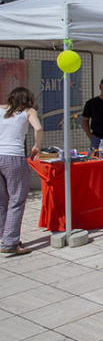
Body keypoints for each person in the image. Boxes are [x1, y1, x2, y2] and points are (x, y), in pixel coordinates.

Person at [0, 88, 42, 256]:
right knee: (17, 200)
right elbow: (38, 129)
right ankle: (10, 242)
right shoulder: (28, 111)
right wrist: (37, 146)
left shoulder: (1, 109)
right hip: (14, 157)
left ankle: (4, 236)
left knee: (1, 201)